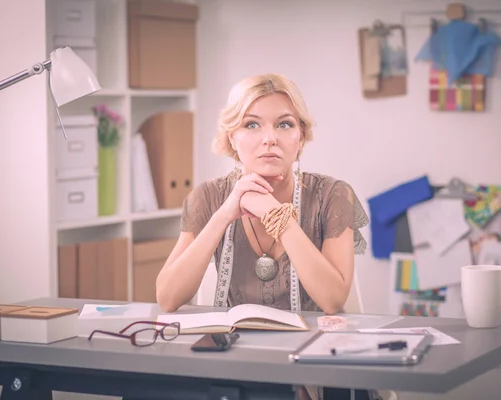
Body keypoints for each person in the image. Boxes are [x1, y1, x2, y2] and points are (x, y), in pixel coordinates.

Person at [156, 73, 370, 400]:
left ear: (301, 137)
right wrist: (225, 214)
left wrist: (276, 216)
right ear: (232, 138)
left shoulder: (332, 195)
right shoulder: (208, 197)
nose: (269, 138)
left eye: (284, 125)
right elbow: (168, 298)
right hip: (234, 371)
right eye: (252, 125)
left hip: (313, 372)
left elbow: (331, 300)